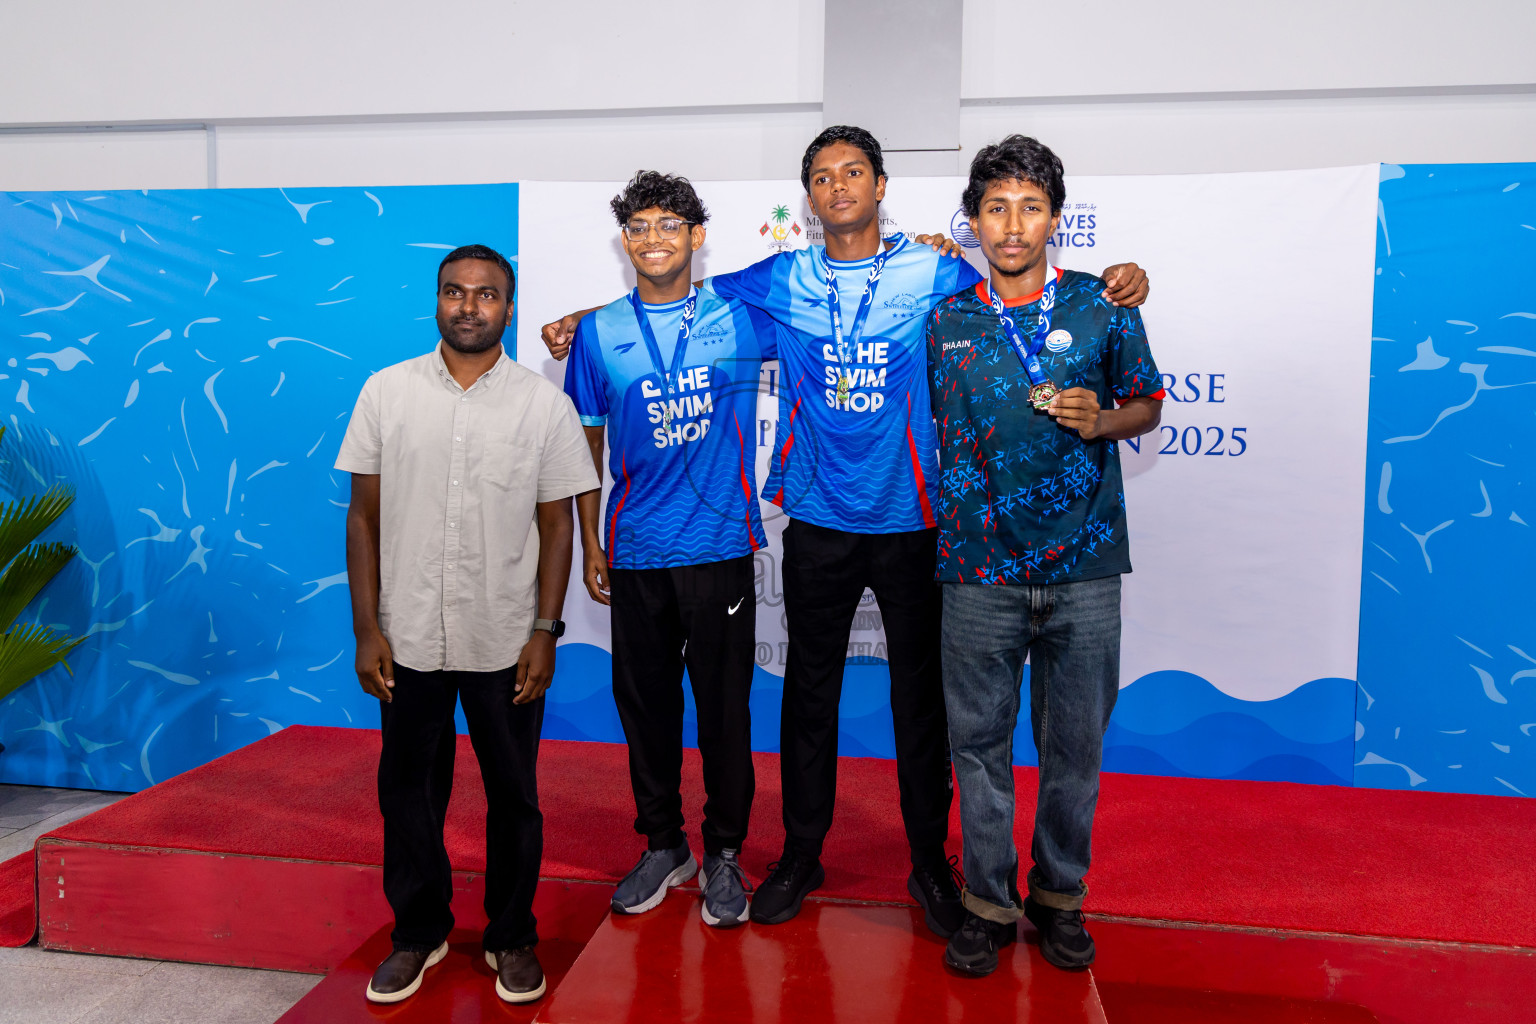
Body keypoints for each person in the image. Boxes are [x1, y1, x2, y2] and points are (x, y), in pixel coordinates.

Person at [544, 126, 1150, 935]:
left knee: (922, 707)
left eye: (853, 171)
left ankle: (930, 864)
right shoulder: (781, 277)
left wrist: (1121, 280)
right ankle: (801, 854)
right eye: (823, 176)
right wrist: (586, 319)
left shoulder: (937, 271)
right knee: (810, 698)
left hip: (916, 522)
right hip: (818, 520)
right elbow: (678, 292)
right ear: (809, 197)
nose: (838, 186)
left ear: (880, 184)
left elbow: (1020, 292)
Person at [926, 136, 1164, 976]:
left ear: (1055, 218)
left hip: (1086, 567)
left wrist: (1106, 420)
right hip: (977, 569)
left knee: (1075, 750)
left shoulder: (1104, 304)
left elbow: (1148, 403)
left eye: (1030, 207)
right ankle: (988, 904)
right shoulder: (945, 319)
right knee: (977, 747)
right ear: (973, 221)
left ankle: (1059, 896)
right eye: (995, 208)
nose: (1013, 224)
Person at [336, 244, 599, 1005]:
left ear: (508, 308)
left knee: (514, 795)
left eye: (486, 295)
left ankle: (511, 935)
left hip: (504, 637)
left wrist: (545, 629)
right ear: (437, 301)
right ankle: (418, 933)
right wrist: (367, 629)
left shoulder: (541, 405)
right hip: (408, 634)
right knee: (408, 792)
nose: (469, 306)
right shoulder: (385, 392)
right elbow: (363, 519)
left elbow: (557, 525)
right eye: (455, 292)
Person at [563, 171, 781, 927]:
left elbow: (833, 319)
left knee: (724, 715)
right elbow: (585, 443)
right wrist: (590, 540)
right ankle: (664, 845)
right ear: (625, 241)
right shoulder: (597, 333)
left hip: (719, 546)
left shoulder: (742, 318)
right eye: (639, 227)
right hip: (636, 552)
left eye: (668, 225)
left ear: (696, 237)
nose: (653, 239)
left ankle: (724, 852)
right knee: (645, 713)